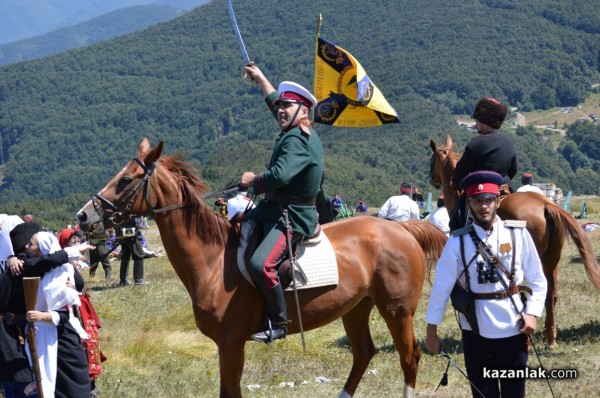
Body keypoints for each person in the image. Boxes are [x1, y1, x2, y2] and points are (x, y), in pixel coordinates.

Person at [425, 171, 547, 398]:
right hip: (475, 332)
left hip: (514, 327)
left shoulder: (518, 234)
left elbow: (537, 280)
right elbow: (441, 287)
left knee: (514, 394)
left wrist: (532, 314)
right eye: (477, 201)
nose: (484, 206)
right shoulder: (457, 241)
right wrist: (431, 330)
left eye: (489, 200)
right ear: (469, 204)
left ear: (497, 201)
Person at [239, 63, 323, 343]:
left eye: (287, 107)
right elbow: (275, 102)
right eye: (280, 107)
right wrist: (262, 77)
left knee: (260, 263)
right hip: (274, 209)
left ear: (304, 112)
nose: (281, 111)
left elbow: (280, 176)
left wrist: (253, 180)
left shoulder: (298, 139)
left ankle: (279, 323)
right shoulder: (293, 126)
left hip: (292, 215)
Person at [18, 230, 91, 398]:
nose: (27, 247)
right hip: (41, 335)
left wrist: (42, 316)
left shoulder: (58, 274)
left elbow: (64, 314)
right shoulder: (36, 268)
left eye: (31, 244)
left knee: (70, 387)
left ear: (42, 249)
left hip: (60, 338)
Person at [1, 220, 69, 398]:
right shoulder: (26, 268)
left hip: (10, 340)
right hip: (17, 338)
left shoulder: (15, 268)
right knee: (25, 384)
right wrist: (66, 253)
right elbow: (53, 260)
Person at [449, 97, 518, 231]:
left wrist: (459, 182)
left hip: (480, 188)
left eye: (477, 120)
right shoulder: (508, 141)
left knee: (456, 223)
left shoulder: (475, 143)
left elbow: (460, 174)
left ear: (484, 120)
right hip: (504, 184)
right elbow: (514, 170)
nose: (476, 124)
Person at [58, 229, 106, 398]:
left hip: (82, 307)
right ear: (64, 246)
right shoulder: (62, 265)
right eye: (73, 243)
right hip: (74, 311)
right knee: (81, 345)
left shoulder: (73, 263)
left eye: (78, 242)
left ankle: (89, 384)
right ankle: (84, 385)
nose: (78, 246)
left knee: (89, 344)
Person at [116, 219, 147, 286]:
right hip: (132, 237)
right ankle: (139, 280)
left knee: (125, 257)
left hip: (122, 236)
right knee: (139, 255)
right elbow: (137, 225)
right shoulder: (132, 211)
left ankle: (123, 280)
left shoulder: (119, 211)